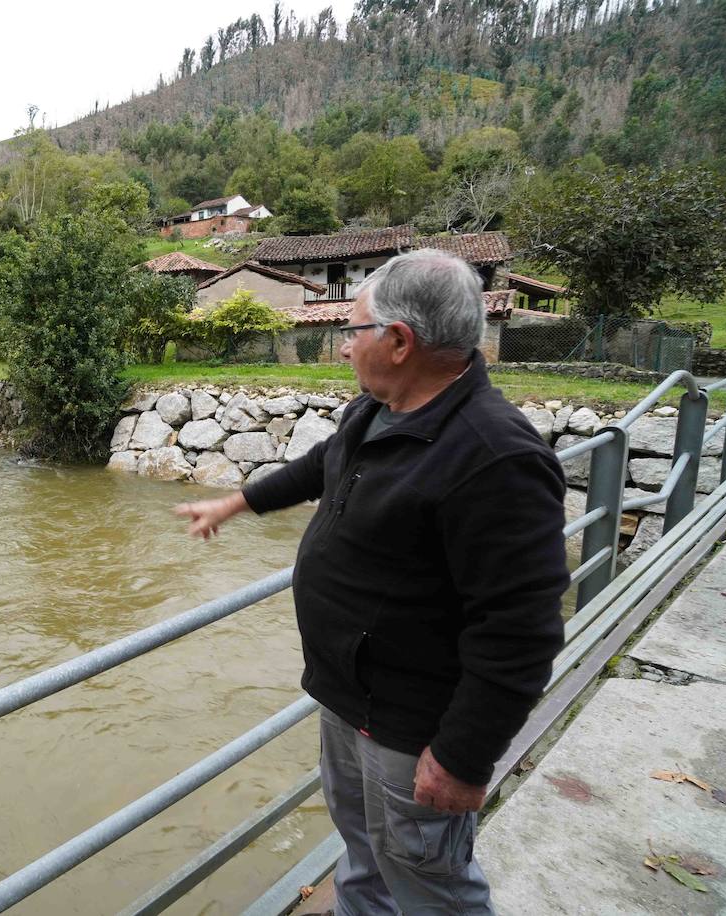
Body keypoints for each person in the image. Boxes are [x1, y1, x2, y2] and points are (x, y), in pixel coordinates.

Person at [175, 249, 568, 915]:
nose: (344, 345)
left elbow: (521, 632)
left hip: (410, 730)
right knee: (364, 851)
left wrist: (462, 759)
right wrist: (239, 502)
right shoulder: (378, 410)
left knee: (429, 880)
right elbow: (323, 463)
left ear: (398, 341)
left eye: (353, 331)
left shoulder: (495, 458)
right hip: (347, 697)